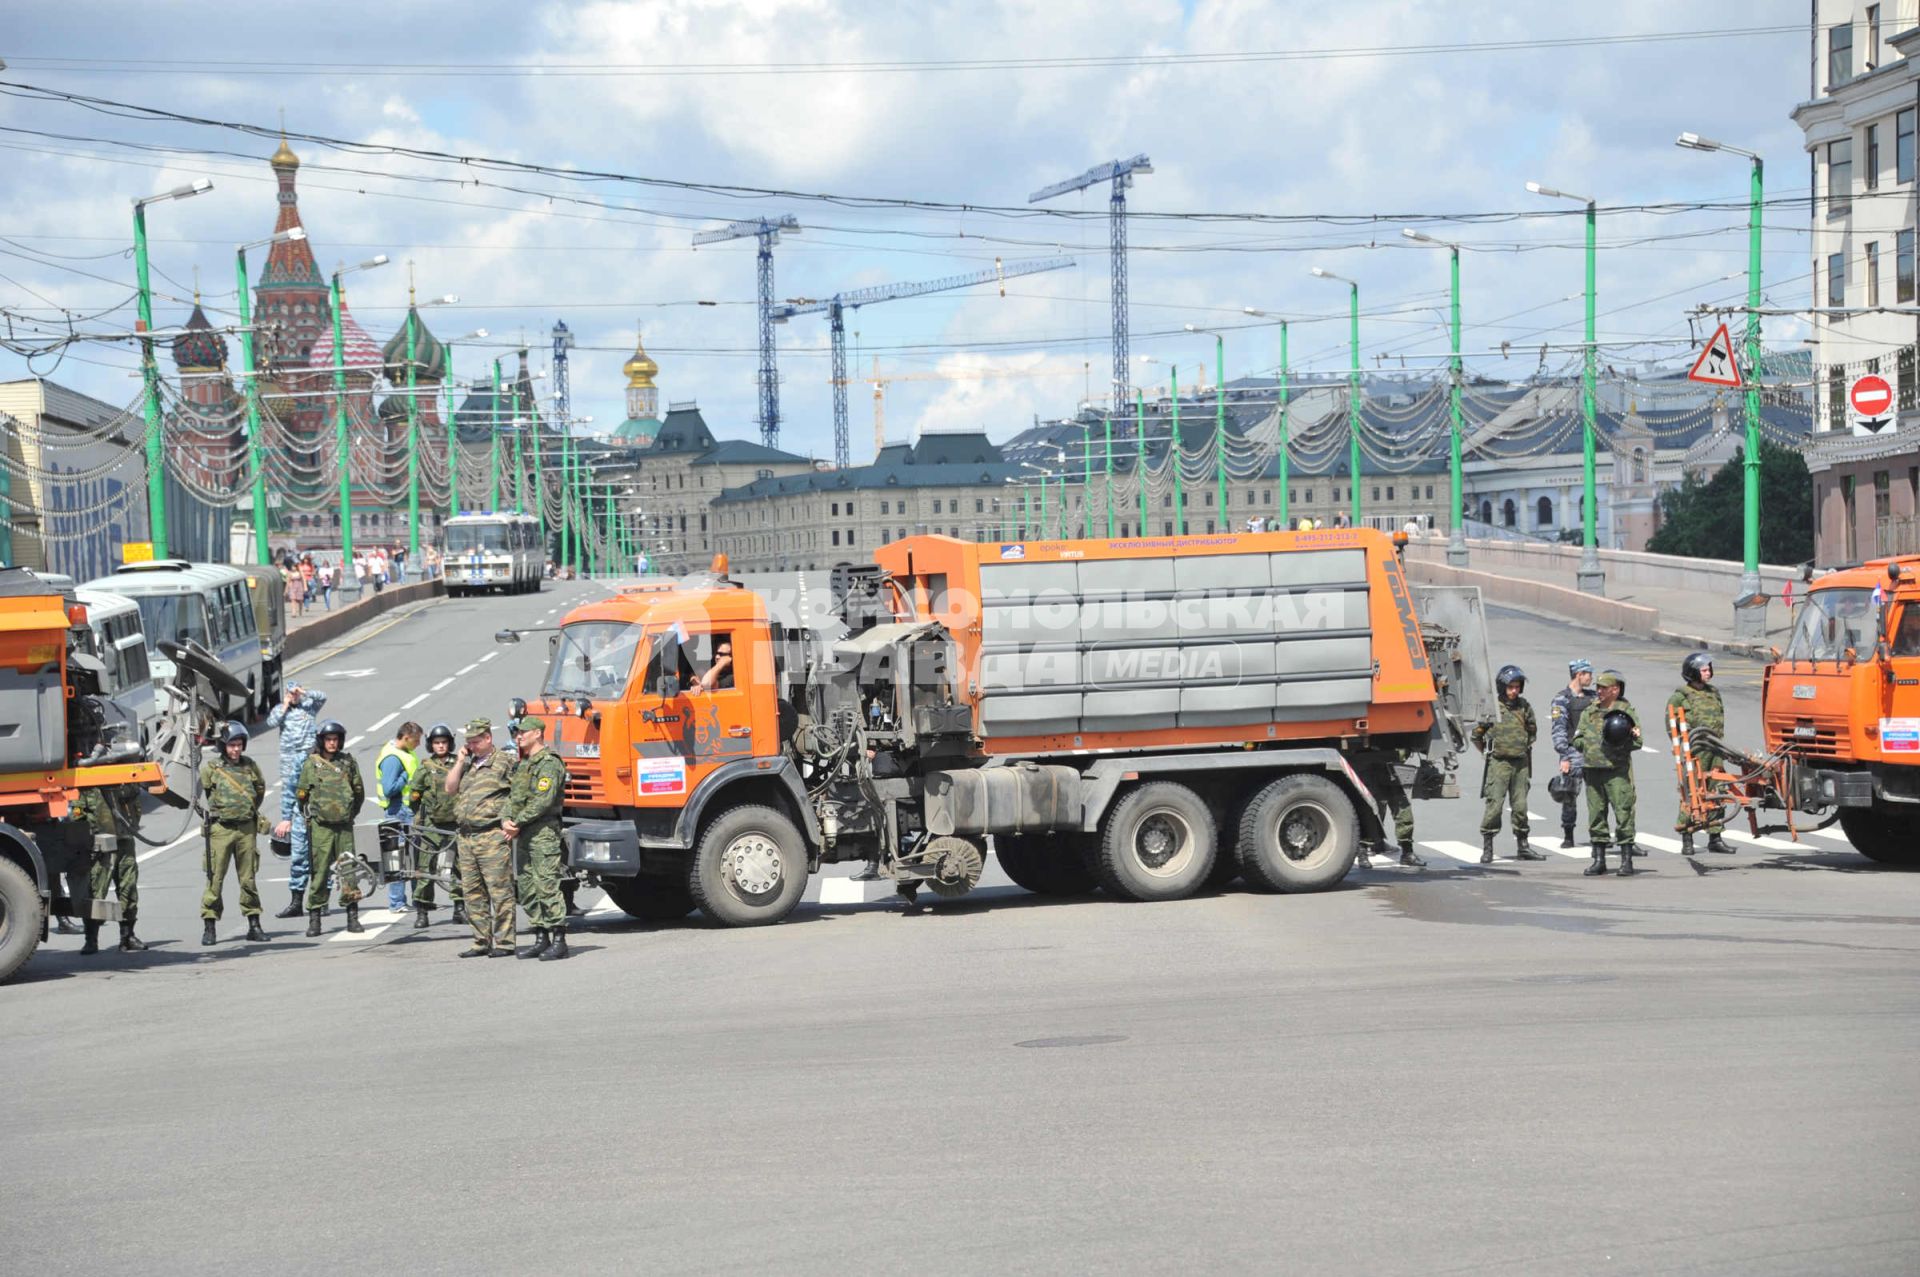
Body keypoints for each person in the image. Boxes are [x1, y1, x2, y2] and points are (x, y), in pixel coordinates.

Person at [445, 718, 517, 958]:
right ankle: (480, 941)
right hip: (466, 837)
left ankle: (505, 942)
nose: (472, 746)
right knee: (472, 892)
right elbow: (450, 788)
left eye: (476, 741)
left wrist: (512, 822)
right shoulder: (468, 765)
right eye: (469, 743)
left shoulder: (504, 762)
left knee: (499, 891)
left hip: (491, 835)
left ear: (488, 738)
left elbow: (519, 793)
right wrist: (459, 761)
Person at [199, 720, 270, 945]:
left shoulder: (250, 766)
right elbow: (200, 792)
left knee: (248, 878)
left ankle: (254, 924)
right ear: (223, 746)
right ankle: (209, 926)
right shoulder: (212, 768)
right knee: (215, 879)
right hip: (221, 829)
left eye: (239, 744)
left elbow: (259, 791)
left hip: (246, 829)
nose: (236, 749)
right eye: (231, 745)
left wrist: (247, 811)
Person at [505, 716, 569, 961]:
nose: (518, 736)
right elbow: (512, 798)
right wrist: (506, 820)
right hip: (524, 833)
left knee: (546, 885)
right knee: (527, 887)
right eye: (517, 733)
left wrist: (517, 822)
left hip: (543, 833)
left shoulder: (549, 764)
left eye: (523, 732)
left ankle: (559, 940)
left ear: (537, 734)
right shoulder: (524, 764)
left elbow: (543, 800)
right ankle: (540, 937)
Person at [296, 719, 366, 935]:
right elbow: (302, 796)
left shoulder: (348, 763)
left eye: (335, 739)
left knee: (349, 872)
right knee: (319, 873)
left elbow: (358, 793)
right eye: (328, 739)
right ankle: (315, 918)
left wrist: (348, 814)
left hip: (344, 827)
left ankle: (352, 916)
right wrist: (314, 817)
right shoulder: (311, 764)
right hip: (321, 828)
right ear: (322, 741)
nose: (332, 743)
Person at [1472, 665, 1546, 863]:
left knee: (1520, 807)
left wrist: (1522, 747)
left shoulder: (1524, 707)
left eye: (1517, 687)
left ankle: (1523, 846)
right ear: (1502, 687)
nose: (1514, 691)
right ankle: (1488, 847)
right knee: (1494, 805)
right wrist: (1489, 753)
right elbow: (1476, 735)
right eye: (1510, 687)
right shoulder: (1492, 708)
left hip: (1520, 763)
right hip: (1499, 763)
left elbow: (1532, 730)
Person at [1572, 671, 1642, 877]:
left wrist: (1622, 739)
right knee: (1596, 815)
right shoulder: (1590, 711)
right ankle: (1599, 860)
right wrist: (1590, 745)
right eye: (1598, 687)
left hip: (1616, 771)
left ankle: (1626, 859)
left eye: (1603, 687)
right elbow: (1577, 739)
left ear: (1615, 690)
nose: (1599, 691)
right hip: (1593, 770)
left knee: (1623, 813)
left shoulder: (1626, 712)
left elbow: (1638, 741)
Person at [269, 684, 328, 919]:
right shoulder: (282, 709)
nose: (294, 696)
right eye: (290, 692)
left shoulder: (308, 706)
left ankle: (321, 900)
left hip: (322, 812)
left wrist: (303, 694)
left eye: (295, 692)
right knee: (300, 856)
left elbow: (322, 696)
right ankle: (297, 902)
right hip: (291, 760)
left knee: (324, 858)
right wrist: (287, 818)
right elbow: (271, 722)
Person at [1668, 652, 1734, 856]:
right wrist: (1682, 747)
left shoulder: (1713, 692)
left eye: (1709, 669)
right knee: (1692, 792)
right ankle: (1687, 837)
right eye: (1704, 670)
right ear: (1693, 673)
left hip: (1714, 749)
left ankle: (1715, 836)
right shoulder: (1680, 696)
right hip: (1694, 751)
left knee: (1717, 790)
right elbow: (1671, 727)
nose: (1708, 673)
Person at [71, 782, 146, 954]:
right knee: (95, 893)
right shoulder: (88, 786)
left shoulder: (125, 783)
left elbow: (136, 807)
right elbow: (78, 817)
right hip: (100, 846)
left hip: (124, 841)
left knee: (129, 888)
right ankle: (91, 939)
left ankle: (127, 936)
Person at [406, 723, 462, 929]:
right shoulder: (425, 767)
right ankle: (422, 910)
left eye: (444, 742)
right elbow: (414, 795)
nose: (441, 746)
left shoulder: (459, 764)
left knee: (459, 866)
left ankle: (460, 906)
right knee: (425, 867)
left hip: (455, 824)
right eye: (437, 743)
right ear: (431, 745)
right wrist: (421, 819)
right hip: (431, 826)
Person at [1549, 659, 1596, 848]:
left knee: (1597, 796)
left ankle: (1598, 834)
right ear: (1579, 674)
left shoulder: (1593, 697)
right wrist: (1564, 756)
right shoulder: (1562, 699)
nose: (1591, 678)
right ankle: (1568, 834)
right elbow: (1559, 729)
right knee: (1569, 795)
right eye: (1588, 674)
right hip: (1573, 753)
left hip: (1594, 754)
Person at [376, 722, 423, 913]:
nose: (419, 744)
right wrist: (404, 777)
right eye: (416, 740)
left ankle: (415, 899)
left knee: (410, 856)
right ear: (405, 737)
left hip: (404, 809)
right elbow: (389, 788)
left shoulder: (402, 751)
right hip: (399, 810)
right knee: (400, 856)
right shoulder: (393, 758)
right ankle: (397, 902)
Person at [1352, 751, 1426, 870]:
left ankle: (1407, 852)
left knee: (1402, 809)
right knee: (1372, 811)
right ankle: (1363, 852)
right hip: (1372, 766)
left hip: (1392, 768)